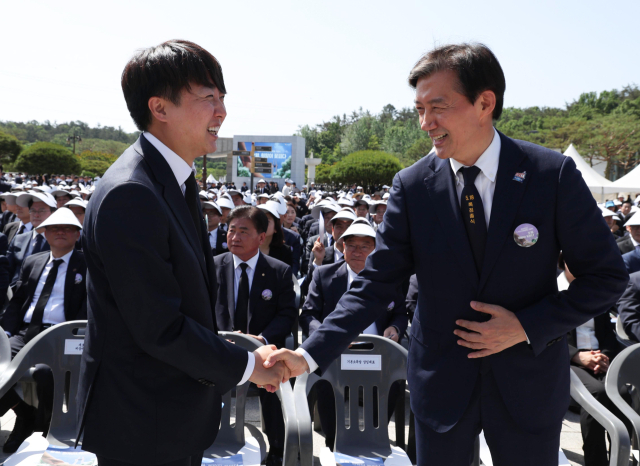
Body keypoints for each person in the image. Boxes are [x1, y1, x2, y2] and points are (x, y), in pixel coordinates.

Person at [264, 43, 628, 465]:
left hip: (526, 383)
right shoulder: (413, 185)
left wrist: (526, 326)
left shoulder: (550, 174)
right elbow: (376, 283)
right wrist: (308, 354)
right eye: (419, 109)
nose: (425, 123)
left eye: (437, 107)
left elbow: (606, 277)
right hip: (441, 385)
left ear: (484, 103)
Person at [75, 40, 284, 466]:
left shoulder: (173, 178)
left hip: (166, 418)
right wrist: (247, 366)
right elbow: (158, 328)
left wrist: (229, 344)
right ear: (160, 107)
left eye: (222, 97)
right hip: (143, 426)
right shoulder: (132, 192)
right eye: (208, 98)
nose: (221, 112)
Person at [300, 218, 408, 449]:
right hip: (336, 354)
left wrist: (396, 328)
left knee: (393, 383)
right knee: (326, 383)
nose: (357, 251)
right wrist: (327, 340)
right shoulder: (324, 275)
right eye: (352, 245)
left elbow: (400, 313)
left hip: (377, 352)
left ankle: (374, 440)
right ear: (342, 247)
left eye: (364, 246)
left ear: (375, 250)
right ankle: (333, 443)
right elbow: (308, 315)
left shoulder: (389, 280)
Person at [213, 206, 296, 466]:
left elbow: (286, 315)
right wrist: (221, 336)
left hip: (264, 348)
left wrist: (260, 340)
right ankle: (209, 442)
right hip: (219, 345)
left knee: (274, 376)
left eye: (243, 231)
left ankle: (276, 450)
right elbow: (201, 307)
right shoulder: (212, 266)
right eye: (231, 231)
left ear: (262, 237)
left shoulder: (279, 271)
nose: (234, 237)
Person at [0, 208, 87, 453]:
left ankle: (42, 426)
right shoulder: (33, 261)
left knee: (42, 373)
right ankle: (25, 415)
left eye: (68, 228)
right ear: (45, 232)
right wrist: (6, 334)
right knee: (1, 365)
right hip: (25, 333)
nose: (61, 231)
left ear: (78, 235)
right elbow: (17, 302)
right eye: (55, 227)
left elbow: (86, 309)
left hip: (60, 335)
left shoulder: (87, 265)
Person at [558, 252, 624, 466]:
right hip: (566, 360)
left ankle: (620, 456)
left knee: (622, 391)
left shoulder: (593, 291)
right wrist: (578, 356)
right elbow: (547, 336)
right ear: (563, 263)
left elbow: (607, 334)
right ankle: (596, 460)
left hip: (598, 358)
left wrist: (602, 357)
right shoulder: (551, 292)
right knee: (597, 393)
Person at [5, 192, 56, 289]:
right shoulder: (19, 239)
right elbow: (7, 270)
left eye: (41, 210)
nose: (36, 215)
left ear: (53, 213)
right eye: (32, 210)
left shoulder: (60, 241)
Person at [257, 201, 293, 267]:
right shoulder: (245, 247)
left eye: (267, 221)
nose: (262, 224)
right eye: (258, 220)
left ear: (276, 228)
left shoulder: (284, 252)